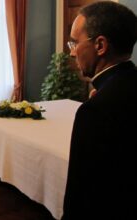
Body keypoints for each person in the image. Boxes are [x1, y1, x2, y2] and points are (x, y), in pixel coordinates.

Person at [62, 2, 137, 219]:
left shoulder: (96, 110)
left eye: (74, 43)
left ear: (100, 46)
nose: (72, 53)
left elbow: (82, 191)